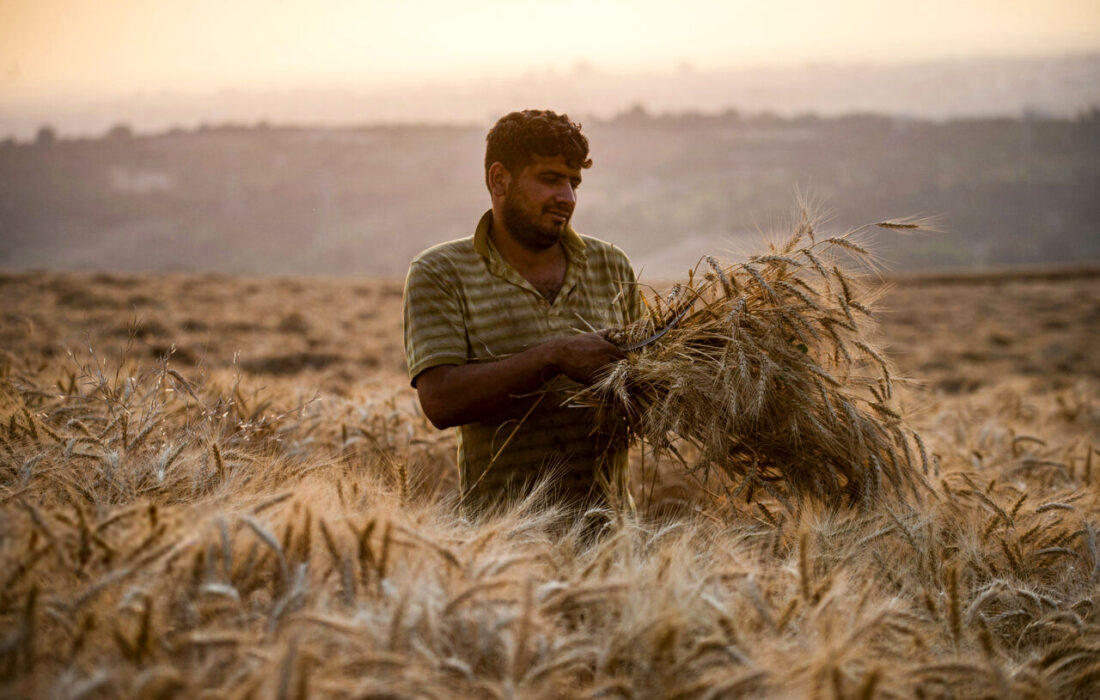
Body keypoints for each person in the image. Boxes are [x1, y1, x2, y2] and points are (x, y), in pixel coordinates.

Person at [402, 109, 642, 514]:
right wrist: (555, 356)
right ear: (500, 180)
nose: (566, 197)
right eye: (549, 179)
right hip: (503, 545)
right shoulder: (441, 272)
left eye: (573, 182)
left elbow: (643, 389)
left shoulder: (611, 265)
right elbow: (440, 403)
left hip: (614, 542)